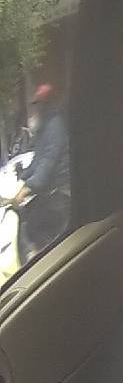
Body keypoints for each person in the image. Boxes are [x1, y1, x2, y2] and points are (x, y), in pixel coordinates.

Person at [8, 84, 71, 263]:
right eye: (35, 104)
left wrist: (27, 188)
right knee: (30, 217)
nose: (36, 108)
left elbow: (47, 163)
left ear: (48, 104)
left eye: (39, 104)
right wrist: (24, 177)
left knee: (38, 225)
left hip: (61, 191)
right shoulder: (45, 127)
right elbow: (37, 160)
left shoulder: (54, 126)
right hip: (50, 190)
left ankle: (45, 262)